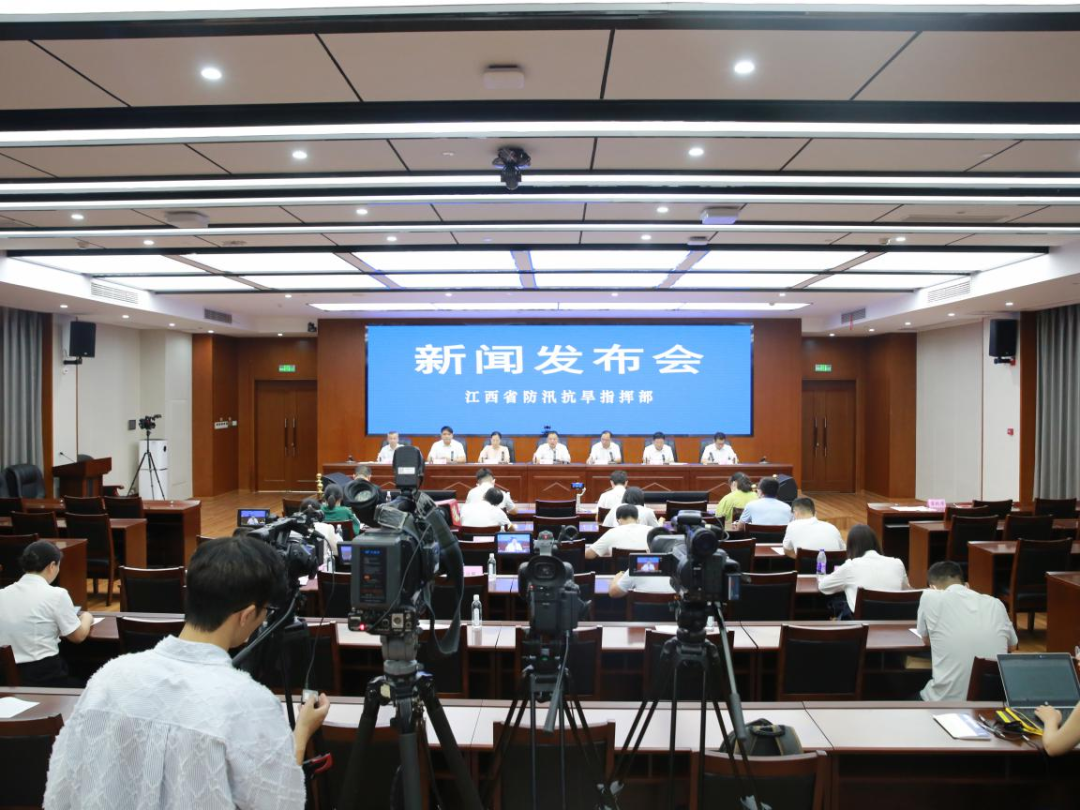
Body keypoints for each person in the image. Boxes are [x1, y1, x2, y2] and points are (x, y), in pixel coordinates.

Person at [43, 535, 331, 809]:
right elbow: (279, 801)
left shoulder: (108, 677)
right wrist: (301, 733)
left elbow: (61, 790)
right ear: (246, 615)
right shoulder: (250, 703)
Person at [917, 560, 1017, 702]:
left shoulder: (929, 597)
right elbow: (1012, 646)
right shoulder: (996, 603)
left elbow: (926, 640)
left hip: (943, 702)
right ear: (967, 585)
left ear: (932, 587)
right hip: (992, 702)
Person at [0, 540, 93, 687]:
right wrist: (87, 617)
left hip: (6, 677)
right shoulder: (56, 595)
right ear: (52, 566)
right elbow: (78, 636)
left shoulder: (2, 594)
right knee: (91, 682)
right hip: (44, 677)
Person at [818, 524, 910, 619]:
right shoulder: (897, 563)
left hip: (862, 624)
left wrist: (845, 585)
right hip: (894, 620)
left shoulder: (850, 566)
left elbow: (823, 586)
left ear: (851, 547)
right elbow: (906, 590)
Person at [609, 528, 678, 598]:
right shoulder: (681, 566)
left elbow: (614, 593)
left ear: (648, 550)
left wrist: (618, 576)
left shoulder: (640, 565)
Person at [586, 504, 653, 559]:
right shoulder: (652, 531)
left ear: (618, 520)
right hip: (647, 571)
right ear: (638, 519)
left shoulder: (612, 532)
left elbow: (589, 555)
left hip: (618, 572)